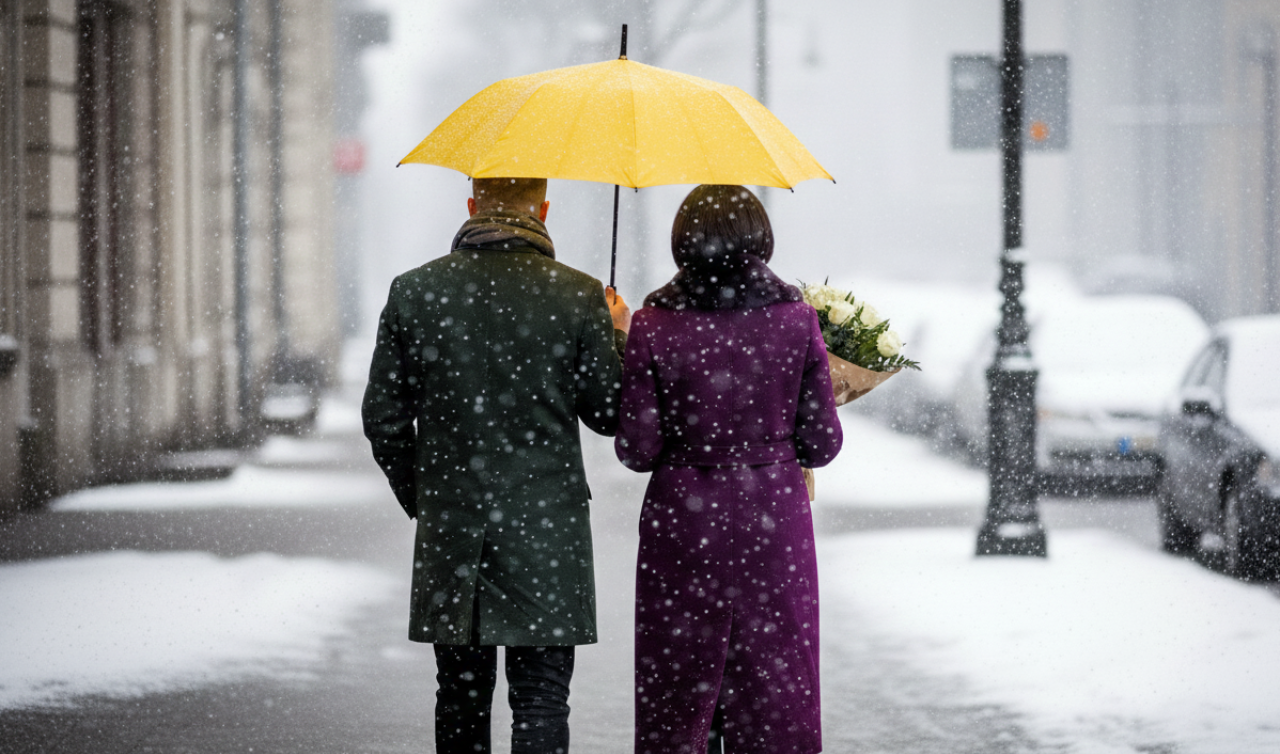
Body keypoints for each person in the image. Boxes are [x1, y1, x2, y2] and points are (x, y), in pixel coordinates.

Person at [362, 176, 631, 754]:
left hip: (454, 536)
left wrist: (429, 499)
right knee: (541, 700)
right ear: (543, 208)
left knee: (459, 697)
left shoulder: (415, 292)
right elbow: (609, 415)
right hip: (547, 536)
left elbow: (383, 420)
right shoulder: (576, 294)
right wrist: (616, 333)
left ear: (471, 205)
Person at [615, 184, 843, 754]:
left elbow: (636, 450)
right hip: (774, 522)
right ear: (760, 239)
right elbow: (822, 444)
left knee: (680, 684)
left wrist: (621, 341)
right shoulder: (796, 320)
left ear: (682, 244)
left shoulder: (652, 324)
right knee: (774, 682)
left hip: (684, 526)